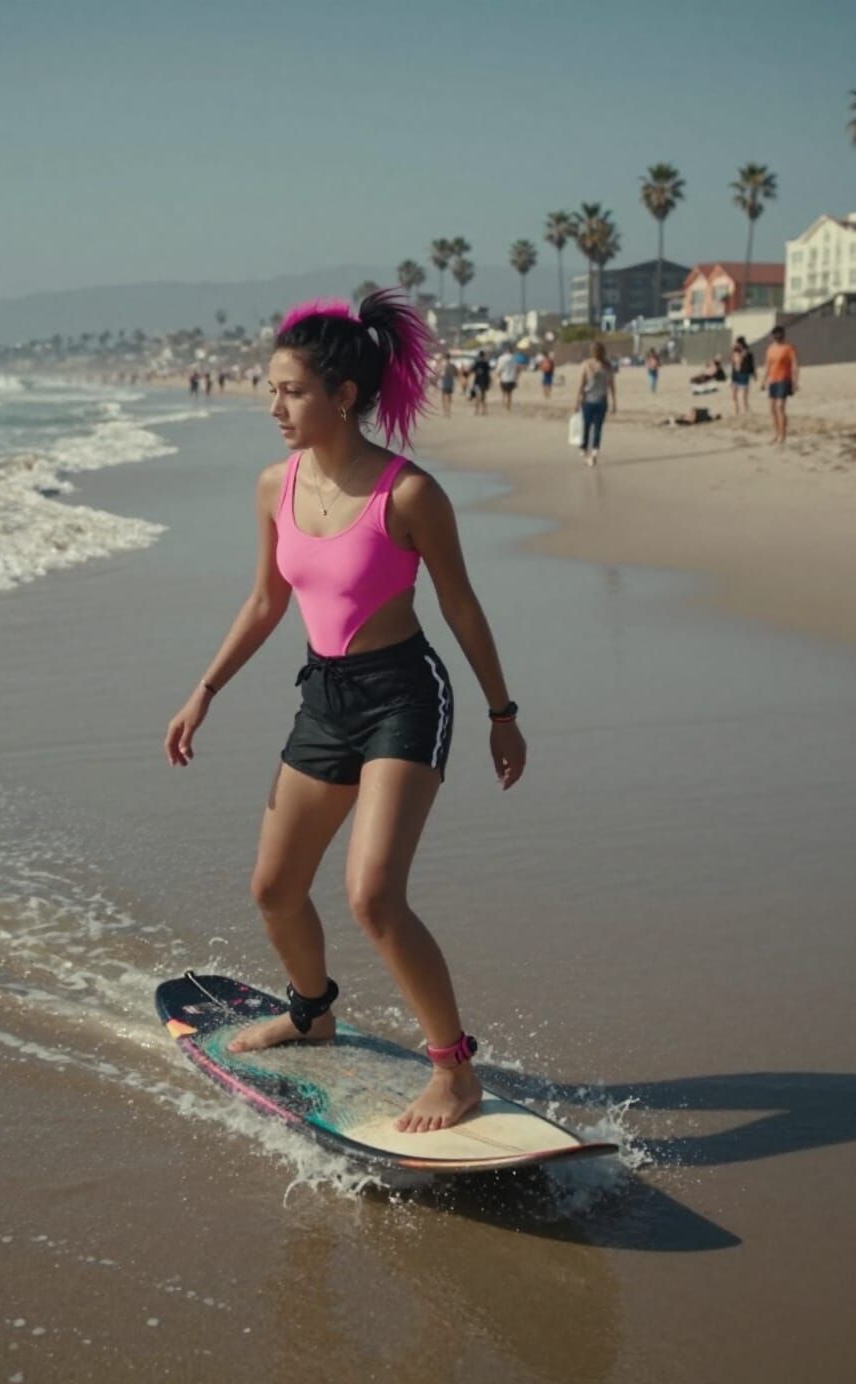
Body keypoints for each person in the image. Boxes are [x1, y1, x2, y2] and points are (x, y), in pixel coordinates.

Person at [163, 288, 527, 1133]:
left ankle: (453, 1071)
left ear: (346, 398)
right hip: (323, 699)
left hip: (405, 696)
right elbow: (264, 603)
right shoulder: (273, 487)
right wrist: (203, 692)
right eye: (273, 389)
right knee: (274, 888)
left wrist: (501, 712)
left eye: (291, 391)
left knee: (373, 898)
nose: (274, 407)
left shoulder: (409, 495)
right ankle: (311, 1010)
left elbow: (464, 609)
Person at [574, 340, 618, 467]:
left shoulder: (597, 365)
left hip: (593, 401)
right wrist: (614, 402)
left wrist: (577, 401)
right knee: (592, 428)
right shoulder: (599, 366)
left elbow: (581, 385)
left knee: (592, 427)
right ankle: (590, 451)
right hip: (594, 400)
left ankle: (590, 452)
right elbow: (611, 386)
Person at [763, 325, 800, 445]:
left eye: (779, 334)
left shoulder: (789, 348)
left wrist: (795, 382)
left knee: (780, 407)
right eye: (775, 335)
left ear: (783, 335)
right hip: (772, 380)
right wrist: (764, 381)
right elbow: (768, 366)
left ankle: (782, 435)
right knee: (772, 408)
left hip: (784, 380)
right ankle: (776, 433)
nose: (777, 337)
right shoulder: (770, 349)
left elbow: (794, 365)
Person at [730, 338, 756, 417]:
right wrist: (734, 352)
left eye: (737, 343)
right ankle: (736, 412)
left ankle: (745, 412)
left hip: (743, 374)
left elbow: (750, 365)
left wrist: (753, 374)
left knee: (743, 396)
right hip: (736, 374)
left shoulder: (747, 353)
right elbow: (733, 362)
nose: (736, 345)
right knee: (734, 395)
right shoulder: (735, 352)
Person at [470, 349, 492, 414]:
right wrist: (489, 383)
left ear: (479, 356)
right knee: (483, 397)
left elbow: (472, 370)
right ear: (484, 356)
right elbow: (488, 374)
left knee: (477, 396)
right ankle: (484, 411)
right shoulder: (486, 363)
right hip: (484, 382)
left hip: (477, 381)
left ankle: (476, 411)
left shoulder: (477, 363)